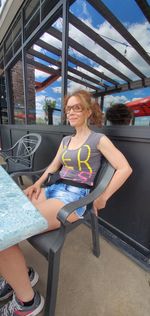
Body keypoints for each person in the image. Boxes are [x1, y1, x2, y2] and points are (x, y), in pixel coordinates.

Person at [0, 90, 132, 315]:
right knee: (6, 216)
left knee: (7, 230)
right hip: (53, 188)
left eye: (77, 107)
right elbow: (53, 166)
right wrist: (37, 184)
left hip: (73, 198)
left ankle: (28, 303)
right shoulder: (66, 140)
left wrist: (102, 197)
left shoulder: (98, 139)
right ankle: (23, 274)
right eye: (69, 108)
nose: (71, 112)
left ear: (88, 111)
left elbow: (125, 168)